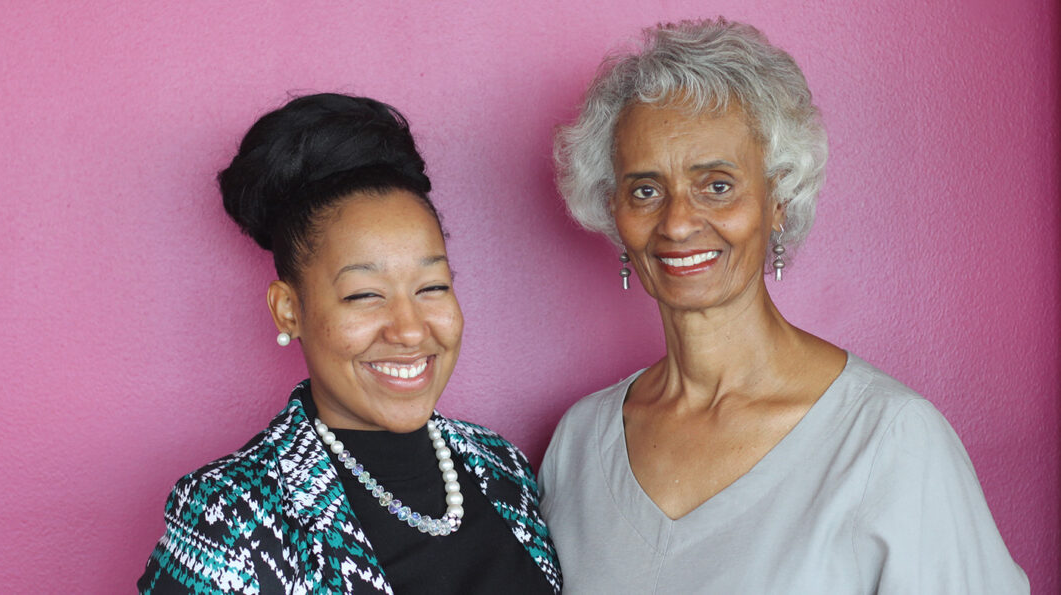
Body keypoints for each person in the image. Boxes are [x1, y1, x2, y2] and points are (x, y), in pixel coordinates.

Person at [539, 19, 1027, 594]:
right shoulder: (579, 443)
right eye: (645, 190)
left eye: (717, 185)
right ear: (613, 210)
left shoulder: (890, 439)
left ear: (780, 199)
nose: (676, 222)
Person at [139, 93, 561, 594]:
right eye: (364, 295)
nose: (409, 330)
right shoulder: (230, 518)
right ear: (288, 309)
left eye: (432, 287)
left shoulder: (501, 466)